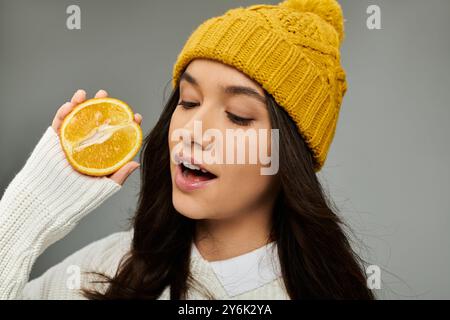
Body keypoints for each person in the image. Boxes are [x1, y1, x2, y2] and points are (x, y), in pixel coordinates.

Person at [0, 0, 375, 299]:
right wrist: (32, 207)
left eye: (239, 116)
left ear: (288, 154)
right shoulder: (110, 268)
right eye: (189, 101)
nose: (193, 132)